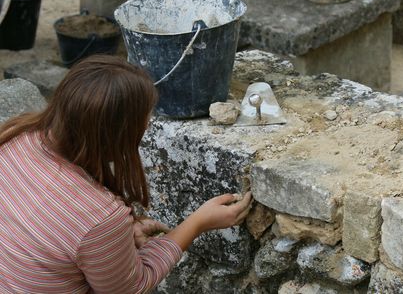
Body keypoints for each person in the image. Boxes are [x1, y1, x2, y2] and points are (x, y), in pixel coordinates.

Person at [0, 55, 252, 294]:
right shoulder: (100, 217)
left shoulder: (16, 138)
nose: (147, 125)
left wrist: (113, 243)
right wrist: (197, 223)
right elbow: (129, 288)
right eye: (143, 122)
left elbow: (47, 231)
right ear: (116, 136)